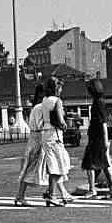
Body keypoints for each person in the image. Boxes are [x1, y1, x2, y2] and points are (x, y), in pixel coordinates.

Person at [80, 79, 112, 200]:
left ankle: (92, 189)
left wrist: (106, 140)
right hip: (99, 137)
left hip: (97, 138)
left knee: (89, 163)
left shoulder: (97, 103)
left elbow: (103, 123)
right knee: (105, 164)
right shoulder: (101, 101)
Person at [40, 77, 74, 206]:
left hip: (46, 134)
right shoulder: (57, 101)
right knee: (59, 165)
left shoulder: (44, 100)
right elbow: (60, 120)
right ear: (56, 88)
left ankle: (51, 192)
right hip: (55, 134)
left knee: (52, 164)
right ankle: (52, 195)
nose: (61, 90)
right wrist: (65, 124)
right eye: (59, 88)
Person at [14, 84, 46, 206]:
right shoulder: (40, 107)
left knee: (33, 167)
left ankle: (20, 195)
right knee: (34, 167)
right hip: (39, 138)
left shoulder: (35, 107)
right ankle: (20, 195)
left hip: (34, 138)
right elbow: (40, 125)